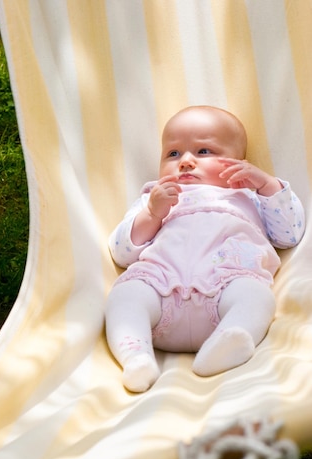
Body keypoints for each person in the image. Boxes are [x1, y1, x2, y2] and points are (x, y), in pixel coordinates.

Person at [105, 105, 305, 392]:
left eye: (203, 152)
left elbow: (289, 234)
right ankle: (136, 356)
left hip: (226, 285)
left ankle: (227, 343)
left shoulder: (250, 196)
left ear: (240, 163)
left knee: (257, 297)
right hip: (160, 290)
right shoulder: (154, 197)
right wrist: (152, 214)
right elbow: (122, 252)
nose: (185, 161)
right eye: (173, 154)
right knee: (125, 295)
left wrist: (266, 184)